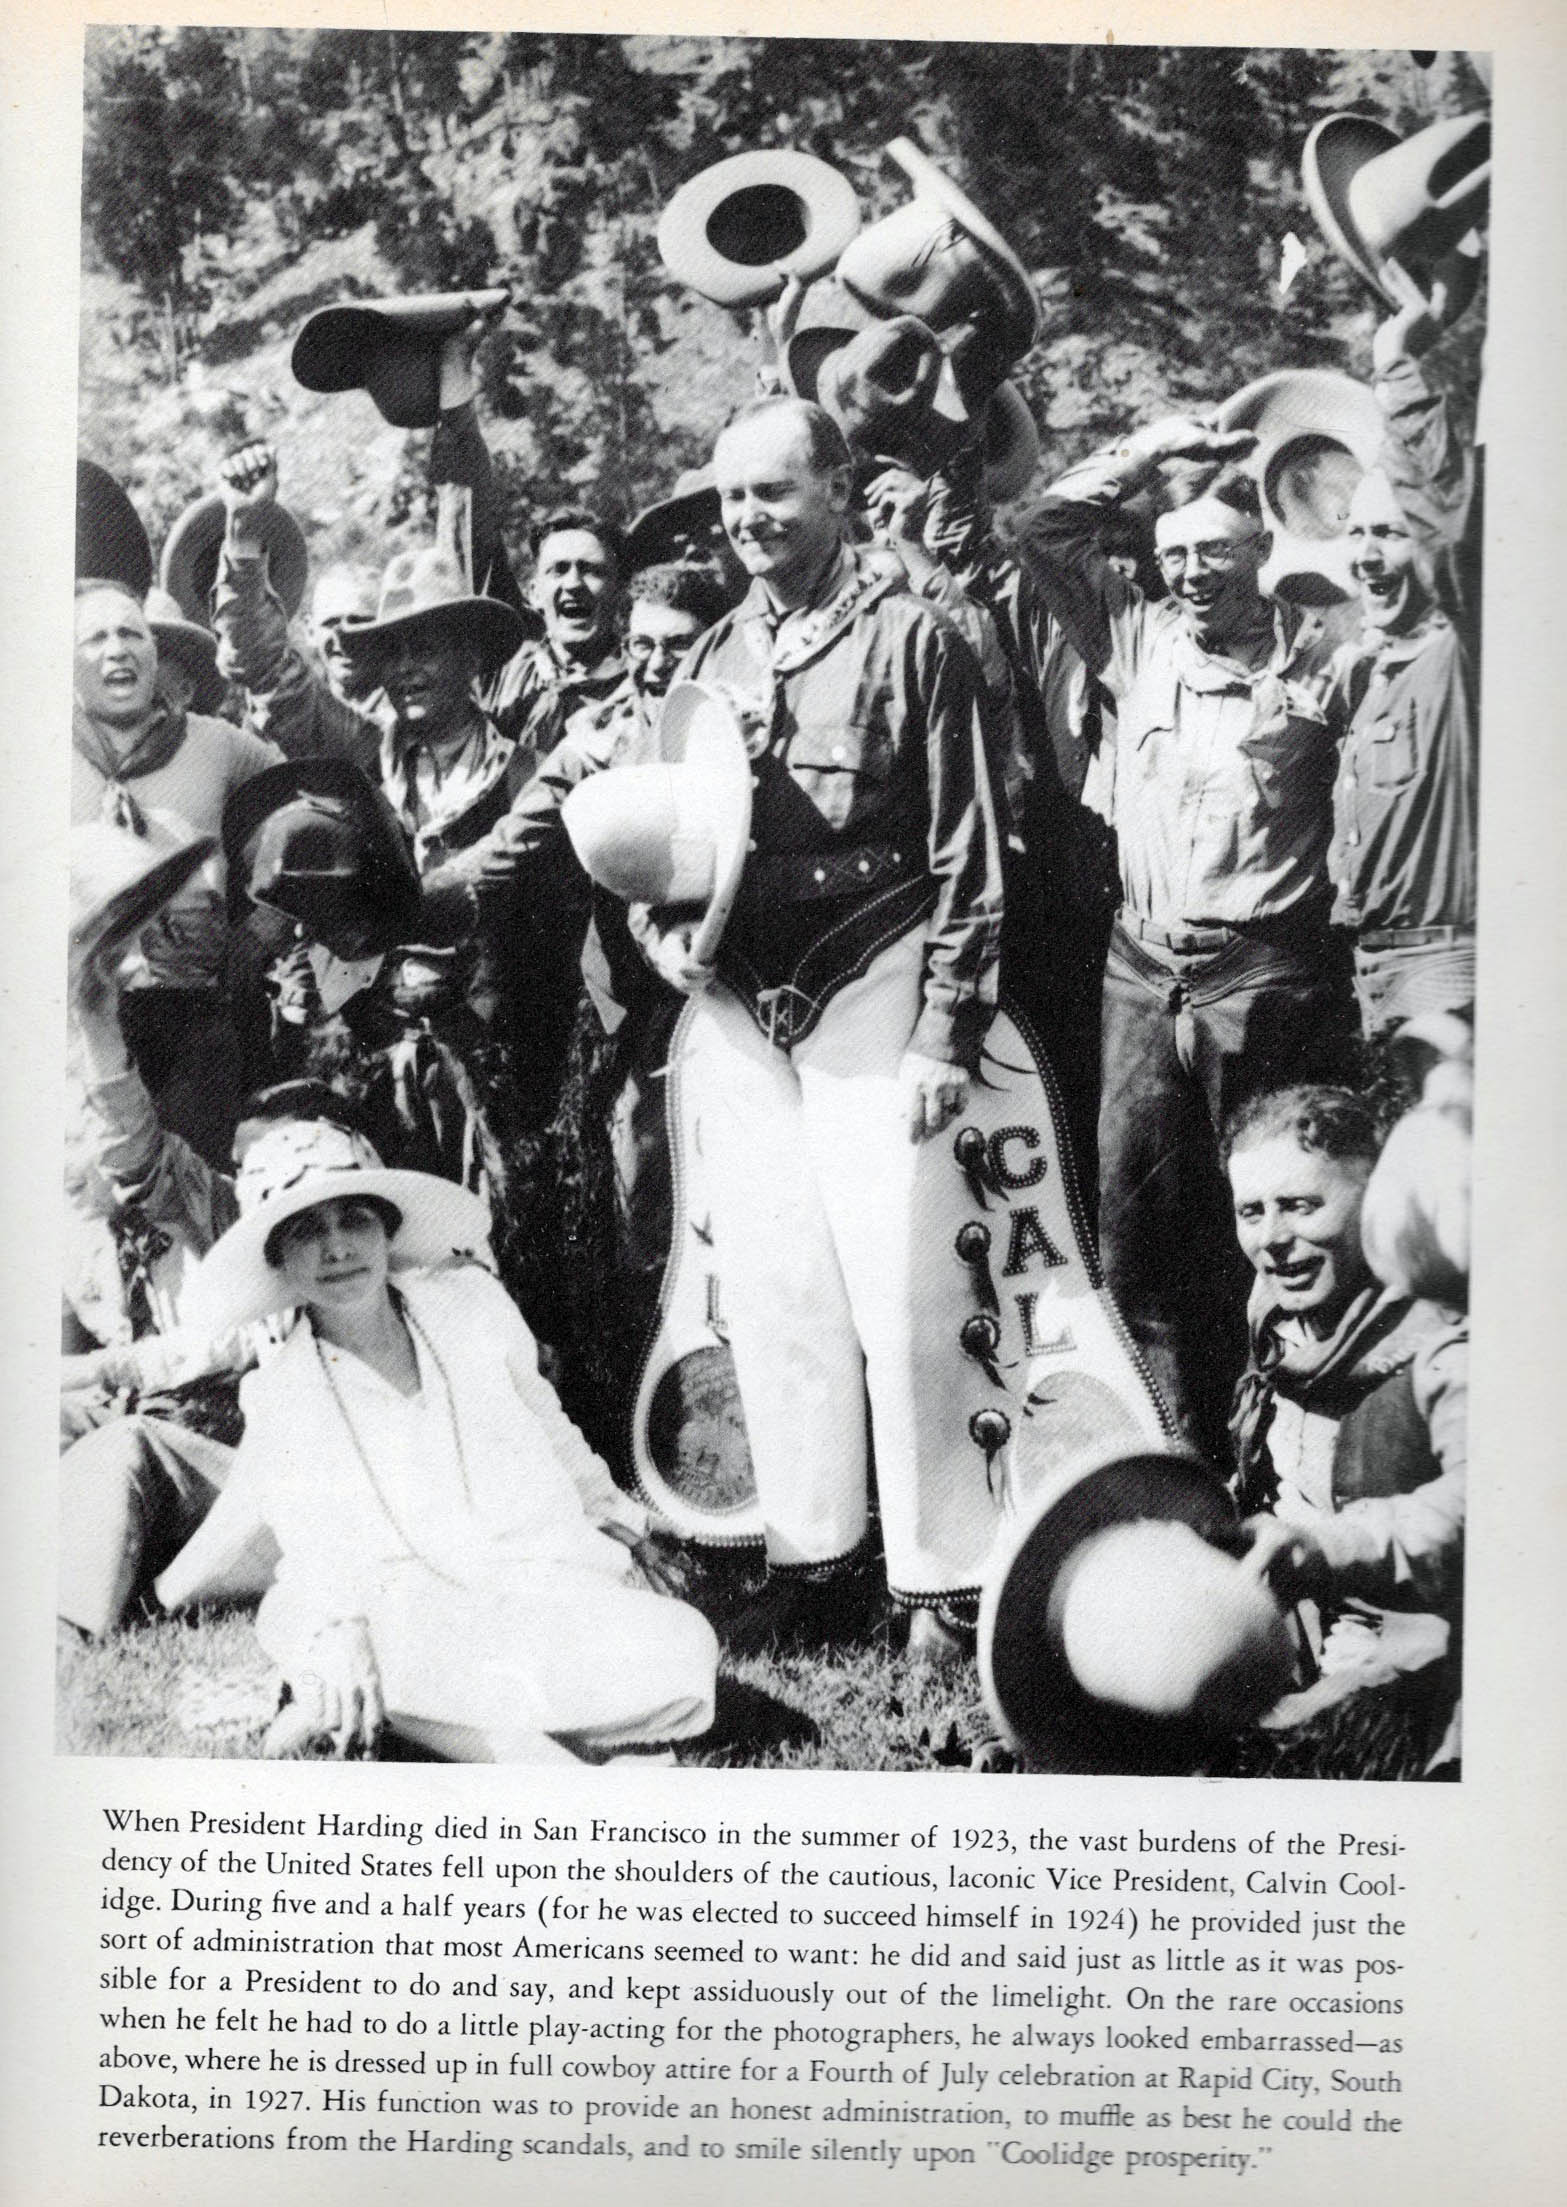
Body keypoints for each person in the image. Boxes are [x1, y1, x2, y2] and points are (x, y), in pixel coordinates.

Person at [643, 395, 1006, 1659]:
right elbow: (668, 839)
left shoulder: (916, 638)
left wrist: (944, 1026)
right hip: (744, 997)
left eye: (773, 491)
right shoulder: (709, 658)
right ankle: (814, 1557)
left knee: (903, 1289)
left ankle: (941, 1579)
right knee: (778, 1286)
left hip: (876, 974)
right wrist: (662, 935)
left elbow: (968, 847)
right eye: (732, 496)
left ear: (839, 491)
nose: (748, 518)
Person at [1023, 420, 1356, 1463]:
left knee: (1272, 1223)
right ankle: (1177, 1461)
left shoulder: (1325, 656)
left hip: (1263, 976)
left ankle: (1284, 1459)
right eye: (1173, 552)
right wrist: (1158, 443)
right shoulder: (1133, 636)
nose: (1191, 571)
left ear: (1261, 548)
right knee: (1135, 1237)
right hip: (1141, 971)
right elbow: (1043, 525)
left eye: (1213, 549)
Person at [181, 1118, 718, 1763]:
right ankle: (547, 1769)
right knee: (357, 1644)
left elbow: (546, 1422)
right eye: (306, 1232)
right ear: (280, 1263)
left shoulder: (471, 1305)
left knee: (685, 1646)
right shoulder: (280, 1390)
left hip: (527, 1581)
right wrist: (347, 1632)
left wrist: (617, 1516)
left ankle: (366, 1712)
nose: (337, 1248)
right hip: (400, 1609)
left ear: (387, 1232)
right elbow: (313, 1542)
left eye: (354, 1220)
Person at [1224, 1085, 1465, 1773]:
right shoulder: (1275, 1317)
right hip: (1294, 1641)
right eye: (1251, 1211)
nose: (1272, 1239)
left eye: (1301, 1205)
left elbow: (1489, 1505)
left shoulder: (1441, 1339)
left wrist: (1331, 1546)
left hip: (1419, 1660)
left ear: (1377, 1198)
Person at [71, 579, 282, 1165]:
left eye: (132, 634)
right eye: (96, 638)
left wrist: (264, 926)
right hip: (81, 1028)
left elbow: (306, 810)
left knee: (197, 1188)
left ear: (154, 651)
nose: (117, 650)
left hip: (195, 1025)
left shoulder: (218, 745)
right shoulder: (34, 752)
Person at [1326, 262, 1480, 1055]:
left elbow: (1448, 521)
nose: (1365, 554)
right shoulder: (1367, 675)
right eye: (1354, 533)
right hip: (1375, 974)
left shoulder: (1463, 653)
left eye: (1387, 533)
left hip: (1447, 970)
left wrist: (1396, 360)